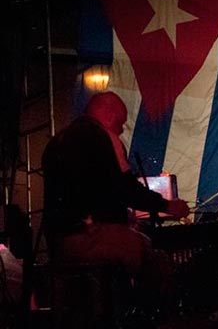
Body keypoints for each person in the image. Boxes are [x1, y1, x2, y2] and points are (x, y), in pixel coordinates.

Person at [41, 91, 190, 297]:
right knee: (154, 258)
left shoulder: (56, 142)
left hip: (59, 245)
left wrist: (114, 213)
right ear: (110, 116)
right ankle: (154, 323)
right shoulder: (103, 135)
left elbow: (88, 190)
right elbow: (126, 187)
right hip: (89, 239)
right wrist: (168, 205)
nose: (120, 132)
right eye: (120, 125)